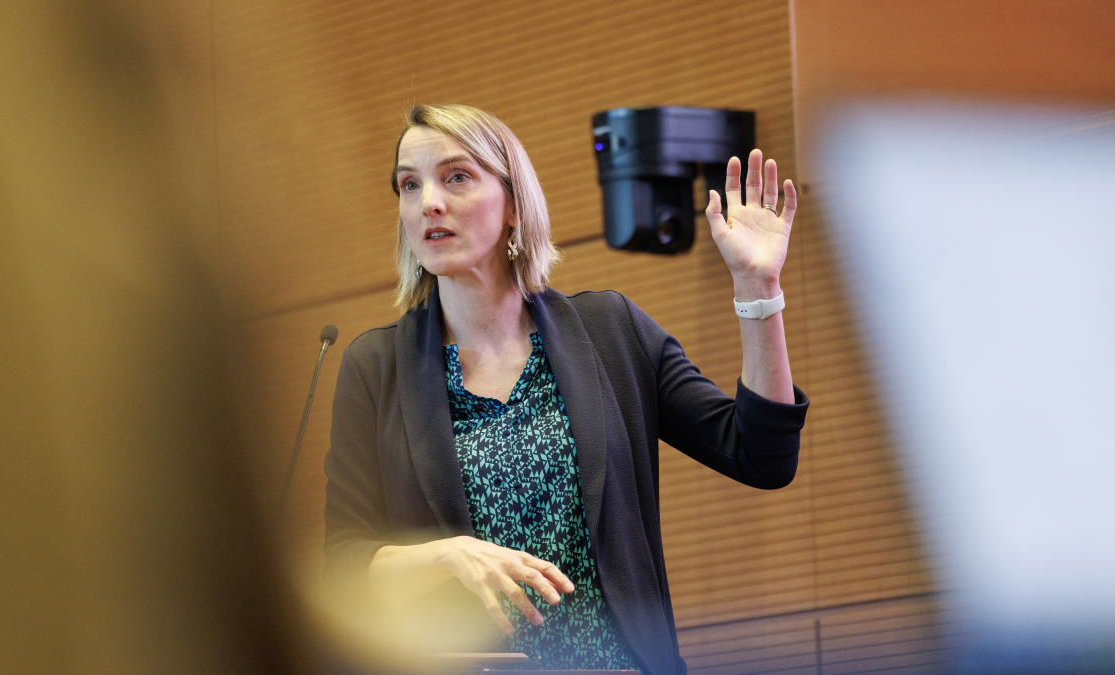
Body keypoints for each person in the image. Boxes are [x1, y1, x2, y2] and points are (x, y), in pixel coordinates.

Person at [323, 104, 809, 675]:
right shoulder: (375, 368)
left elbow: (762, 455)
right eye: (409, 184)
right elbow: (344, 569)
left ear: (512, 205)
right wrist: (444, 555)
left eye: (456, 177)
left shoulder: (610, 331)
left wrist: (758, 288)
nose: (428, 200)